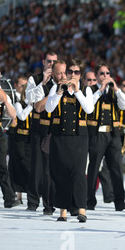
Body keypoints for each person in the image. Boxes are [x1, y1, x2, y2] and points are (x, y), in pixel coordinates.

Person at [45, 59, 94, 222]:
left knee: (79, 173)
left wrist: (77, 90)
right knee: (61, 173)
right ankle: (63, 211)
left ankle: (81, 209)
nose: (73, 75)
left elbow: (89, 108)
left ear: (80, 75)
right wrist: (60, 92)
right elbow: (49, 108)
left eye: (76, 72)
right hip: (60, 136)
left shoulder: (86, 90)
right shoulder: (56, 87)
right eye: (70, 72)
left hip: (79, 137)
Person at [86, 62, 125, 211]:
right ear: (96, 76)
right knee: (93, 168)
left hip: (113, 134)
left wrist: (116, 89)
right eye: (102, 74)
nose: (105, 76)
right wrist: (100, 90)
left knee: (116, 168)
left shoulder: (115, 91)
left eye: (107, 73)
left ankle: (119, 202)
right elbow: (89, 106)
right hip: (97, 133)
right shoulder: (90, 90)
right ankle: (89, 200)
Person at [24, 50, 57, 214]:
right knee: (36, 166)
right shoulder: (34, 79)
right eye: (49, 61)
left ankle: (49, 203)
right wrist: (42, 84)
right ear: (43, 62)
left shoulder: (60, 80)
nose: (51, 64)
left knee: (50, 169)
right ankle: (32, 201)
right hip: (38, 126)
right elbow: (28, 99)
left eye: (54, 62)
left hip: (54, 127)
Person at [0, 70, 19, 208]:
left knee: (2, 168)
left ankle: (9, 197)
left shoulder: (3, 95)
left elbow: (12, 115)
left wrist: (5, 102)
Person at [10, 80, 33, 204]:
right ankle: (19, 196)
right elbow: (22, 116)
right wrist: (31, 105)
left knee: (31, 167)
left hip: (31, 139)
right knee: (19, 166)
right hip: (20, 138)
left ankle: (31, 193)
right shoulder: (18, 104)